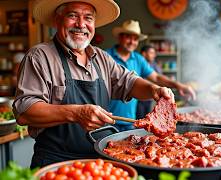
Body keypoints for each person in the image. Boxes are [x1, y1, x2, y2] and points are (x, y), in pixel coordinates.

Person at [12, 0, 175, 168]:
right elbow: (25, 112)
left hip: (99, 161)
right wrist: (76, 113)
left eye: (88, 18)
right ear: (57, 20)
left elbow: (129, 82)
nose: (81, 24)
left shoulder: (101, 57)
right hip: (56, 163)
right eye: (73, 15)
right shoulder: (40, 56)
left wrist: (153, 89)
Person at [106, 20, 196, 131]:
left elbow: (156, 77)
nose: (132, 42)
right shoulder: (106, 57)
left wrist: (179, 85)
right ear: (120, 37)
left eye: (135, 39)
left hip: (129, 119)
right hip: (107, 119)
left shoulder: (138, 58)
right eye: (128, 37)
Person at [136, 45, 162, 119]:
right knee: (139, 120)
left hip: (150, 98)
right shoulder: (137, 64)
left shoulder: (154, 65)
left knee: (148, 119)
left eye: (154, 53)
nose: (154, 55)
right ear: (144, 54)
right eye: (151, 53)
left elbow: (159, 77)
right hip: (138, 99)